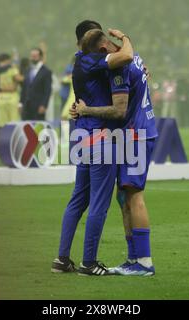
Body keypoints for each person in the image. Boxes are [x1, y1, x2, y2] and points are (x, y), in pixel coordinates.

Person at [52, 20, 135, 276]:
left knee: (78, 199)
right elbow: (127, 56)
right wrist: (125, 38)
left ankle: (62, 259)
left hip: (82, 136)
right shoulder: (94, 60)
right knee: (99, 202)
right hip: (100, 136)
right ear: (96, 43)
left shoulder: (79, 60)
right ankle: (89, 262)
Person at [72, 28, 158, 276]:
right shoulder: (133, 55)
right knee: (124, 197)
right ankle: (133, 259)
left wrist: (86, 111)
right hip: (134, 133)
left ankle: (144, 262)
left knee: (134, 196)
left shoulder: (119, 67)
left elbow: (119, 110)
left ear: (102, 51)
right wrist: (126, 38)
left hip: (137, 134)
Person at [20, 48, 52, 121]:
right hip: (26, 106)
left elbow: (47, 90)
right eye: (32, 56)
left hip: (38, 107)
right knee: (26, 128)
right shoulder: (27, 70)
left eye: (35, 56)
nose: (33, 58)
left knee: (38, 129)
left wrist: (44, 105)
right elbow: (24, 88)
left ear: (40, 57)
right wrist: (20, 103)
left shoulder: (46, 72)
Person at [0, 53, 20, 127]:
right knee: (14, 123)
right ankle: (13, 138)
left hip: (0, 98)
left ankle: (4, 138)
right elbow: (18, 79)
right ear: (7, 60)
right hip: (12, 98)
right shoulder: (13, 69)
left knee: (3, 124)